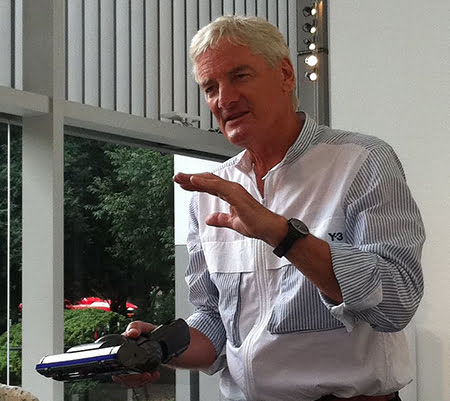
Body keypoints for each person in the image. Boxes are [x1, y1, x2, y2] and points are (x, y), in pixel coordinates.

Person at [116, 16, 425, 401]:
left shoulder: (362, 161)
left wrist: (284, 236)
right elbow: (214, 323)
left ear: (285, 75)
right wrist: (159, 348)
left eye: (240, 76)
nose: (224, 99)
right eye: (210, 87)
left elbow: (398, 299)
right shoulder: (209, 194)